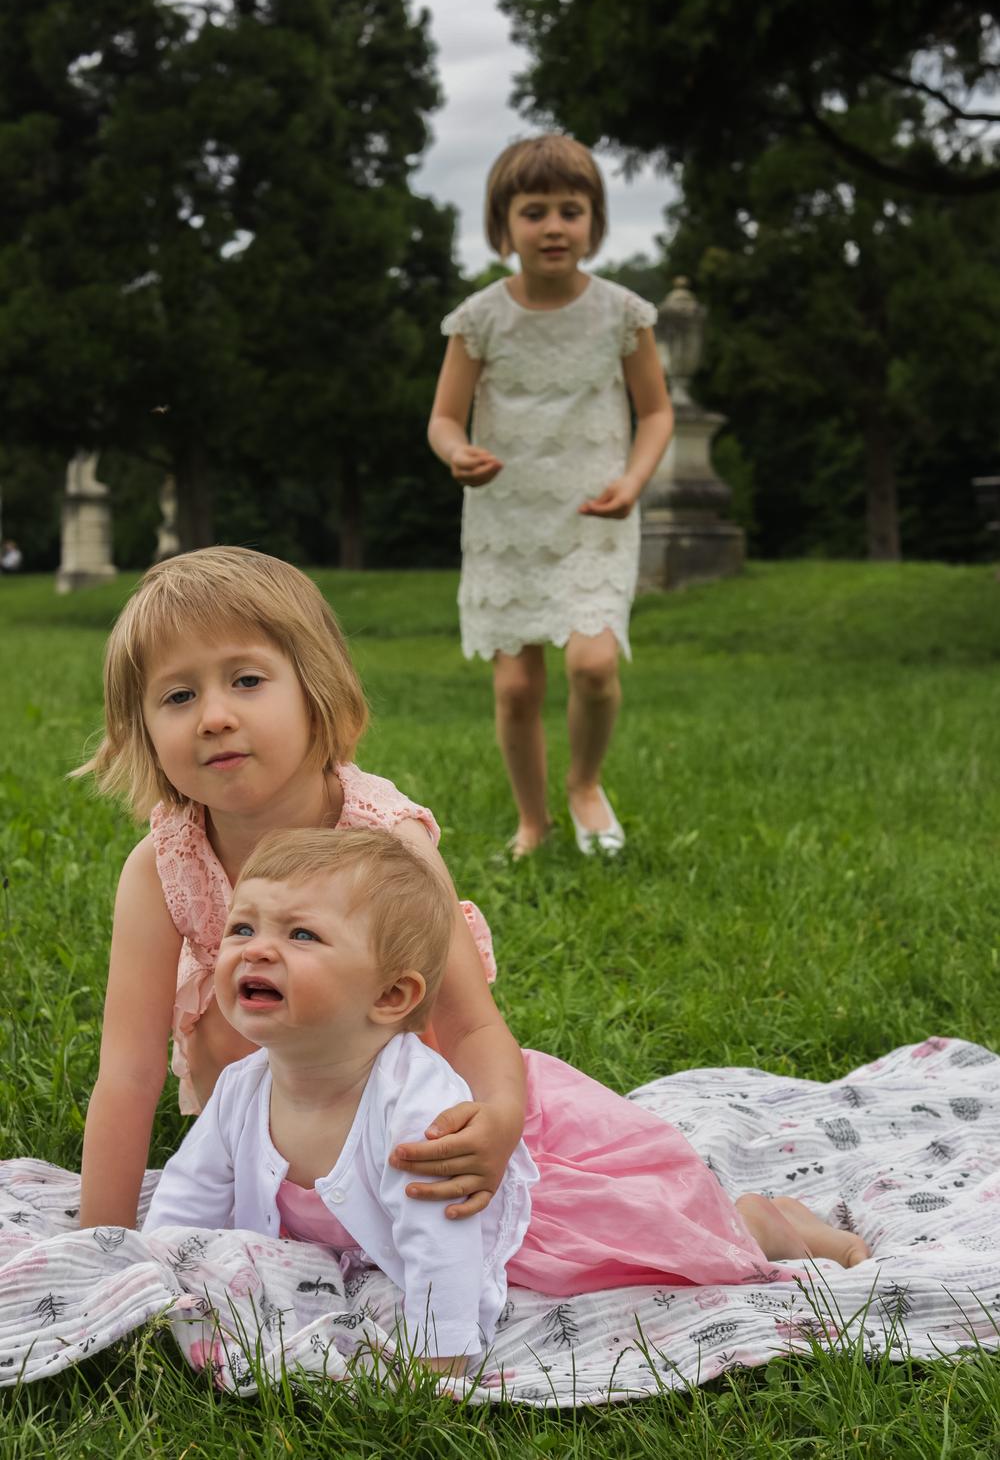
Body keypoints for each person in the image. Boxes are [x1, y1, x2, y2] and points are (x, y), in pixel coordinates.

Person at [145, 827, 870, 1372]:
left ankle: (763, 1225)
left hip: (521, 1211)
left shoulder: (415, 1109)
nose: (257, 949)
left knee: (633, 1259)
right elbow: (191, 1195)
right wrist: (155, 1275)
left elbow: (444, 1240)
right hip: (380, 1238)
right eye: (243, 928)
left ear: (392, 996)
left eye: (300, 934)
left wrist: (438, 1357)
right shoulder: (245, 1088)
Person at [75, 546, 526, 1231]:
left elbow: (468, 1022)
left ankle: (746, 1223)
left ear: (315, 689)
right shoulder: (163, 863)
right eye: (178, 695)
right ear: (142, 729)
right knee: (242, 992)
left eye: (248, 680)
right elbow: (130, 1073)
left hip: (400, 1125)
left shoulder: (383, 842)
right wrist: (102, 1241)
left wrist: (495, 1121)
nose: (214, 716)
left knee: (559, 1236)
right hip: (261, 1129)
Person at [428, 135, 674, 858]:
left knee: (593, 666)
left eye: (572, 210)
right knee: (516, 689)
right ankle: (533, 821)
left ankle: (585, 786)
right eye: (534, 212)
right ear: (503, 227)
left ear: (594, 223)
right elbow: (444, 417)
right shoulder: (479, 320)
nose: (555, 226)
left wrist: (632, 481)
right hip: (506, 520)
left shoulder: (624, 313)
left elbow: (656, 412)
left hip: (594, 514)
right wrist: (456, 452)